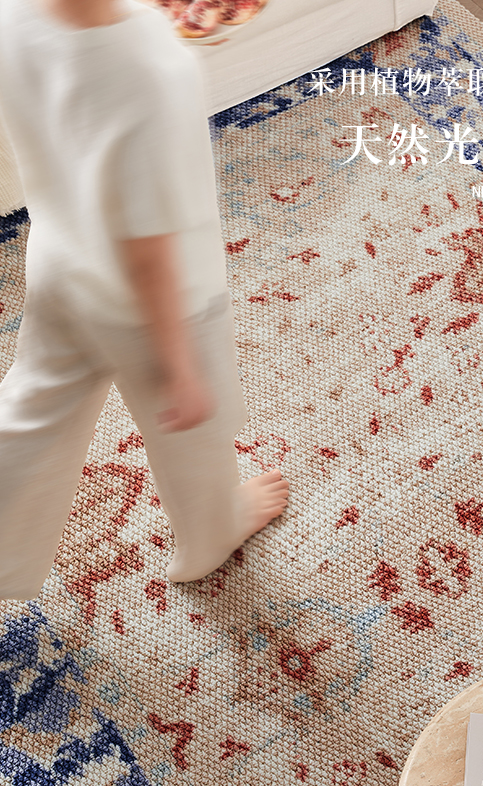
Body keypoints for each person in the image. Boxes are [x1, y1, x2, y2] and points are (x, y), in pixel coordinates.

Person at [0, 0, 289, 600]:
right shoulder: (144, 69)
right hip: (153, 308)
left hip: (62, 256)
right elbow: (147, 249)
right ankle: (210, 534)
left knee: (31, 413)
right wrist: (182, 369)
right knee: (193, 439)